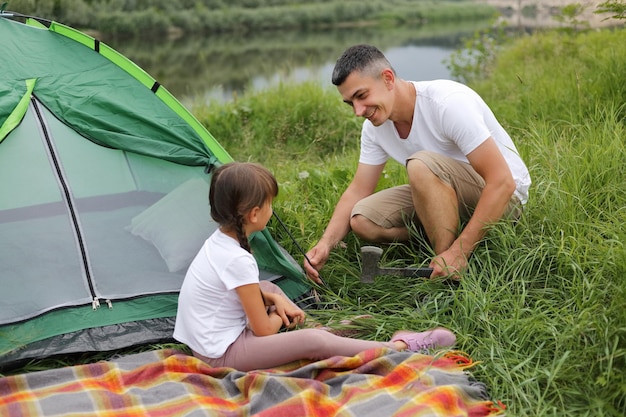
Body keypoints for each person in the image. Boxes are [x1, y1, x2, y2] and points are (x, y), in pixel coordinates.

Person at [173, 162, 456, 371]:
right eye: (270, 203)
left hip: (209, 340)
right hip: (221, 354)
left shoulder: (219, 242)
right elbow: (263, 330)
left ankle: (325, 329)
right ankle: (399, 348)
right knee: (312, 342)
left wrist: (273, 298)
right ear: (255, 213)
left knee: (270, 288)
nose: (273, 210)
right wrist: (281, 316)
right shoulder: (237, 258)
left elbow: (239, 288)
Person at [303, 44, 531, 283]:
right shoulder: (373, 129)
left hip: (504, 199)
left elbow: (502, 182)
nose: (358, 111)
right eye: (350, 103)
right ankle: (446, 241)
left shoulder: (447, 103)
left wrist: (459, 251)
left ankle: (448, 272)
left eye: (361, 96)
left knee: (420, 165)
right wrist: (325, 244)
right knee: (362, 219)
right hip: (446, 192)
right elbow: (358, 190)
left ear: (388, 79)